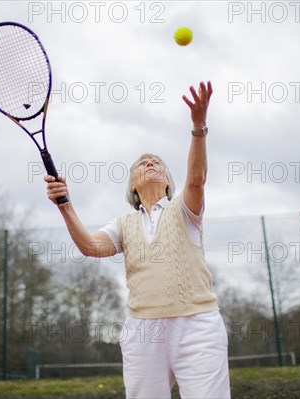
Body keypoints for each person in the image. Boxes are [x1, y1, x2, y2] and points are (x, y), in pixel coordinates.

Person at [44, 81, 230, 399]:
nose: (149, 164)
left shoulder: (184, 209)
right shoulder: (123, 224)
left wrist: (198, 128)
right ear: (132, 186)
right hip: (143, 329)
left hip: (198, 325)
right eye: (141, 164)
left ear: (170, 181)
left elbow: (197, 180)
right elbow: (90, 246)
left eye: (156, 162)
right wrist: (66, 206)